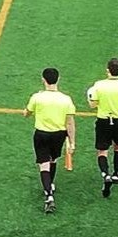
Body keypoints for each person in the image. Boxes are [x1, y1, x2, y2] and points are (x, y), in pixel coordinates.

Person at [24, 67, 76, 214]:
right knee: (53, 160)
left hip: (41, 134)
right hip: (59, 134)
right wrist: (72, 142)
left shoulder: (37, 97)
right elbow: (70, 123)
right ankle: (50, 185)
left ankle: (49, 195)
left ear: (43, 80)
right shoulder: (66, 99)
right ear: (58, 79)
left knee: (43, 164)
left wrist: (28, 112)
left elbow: (26, 113)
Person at [88, 57, 118, 197]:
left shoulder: (98, 85)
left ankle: (105, 174)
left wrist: (89, 97)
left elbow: (92, 105)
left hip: (103, 119)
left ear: (107, 70)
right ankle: (116, 173)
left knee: (102, 150)